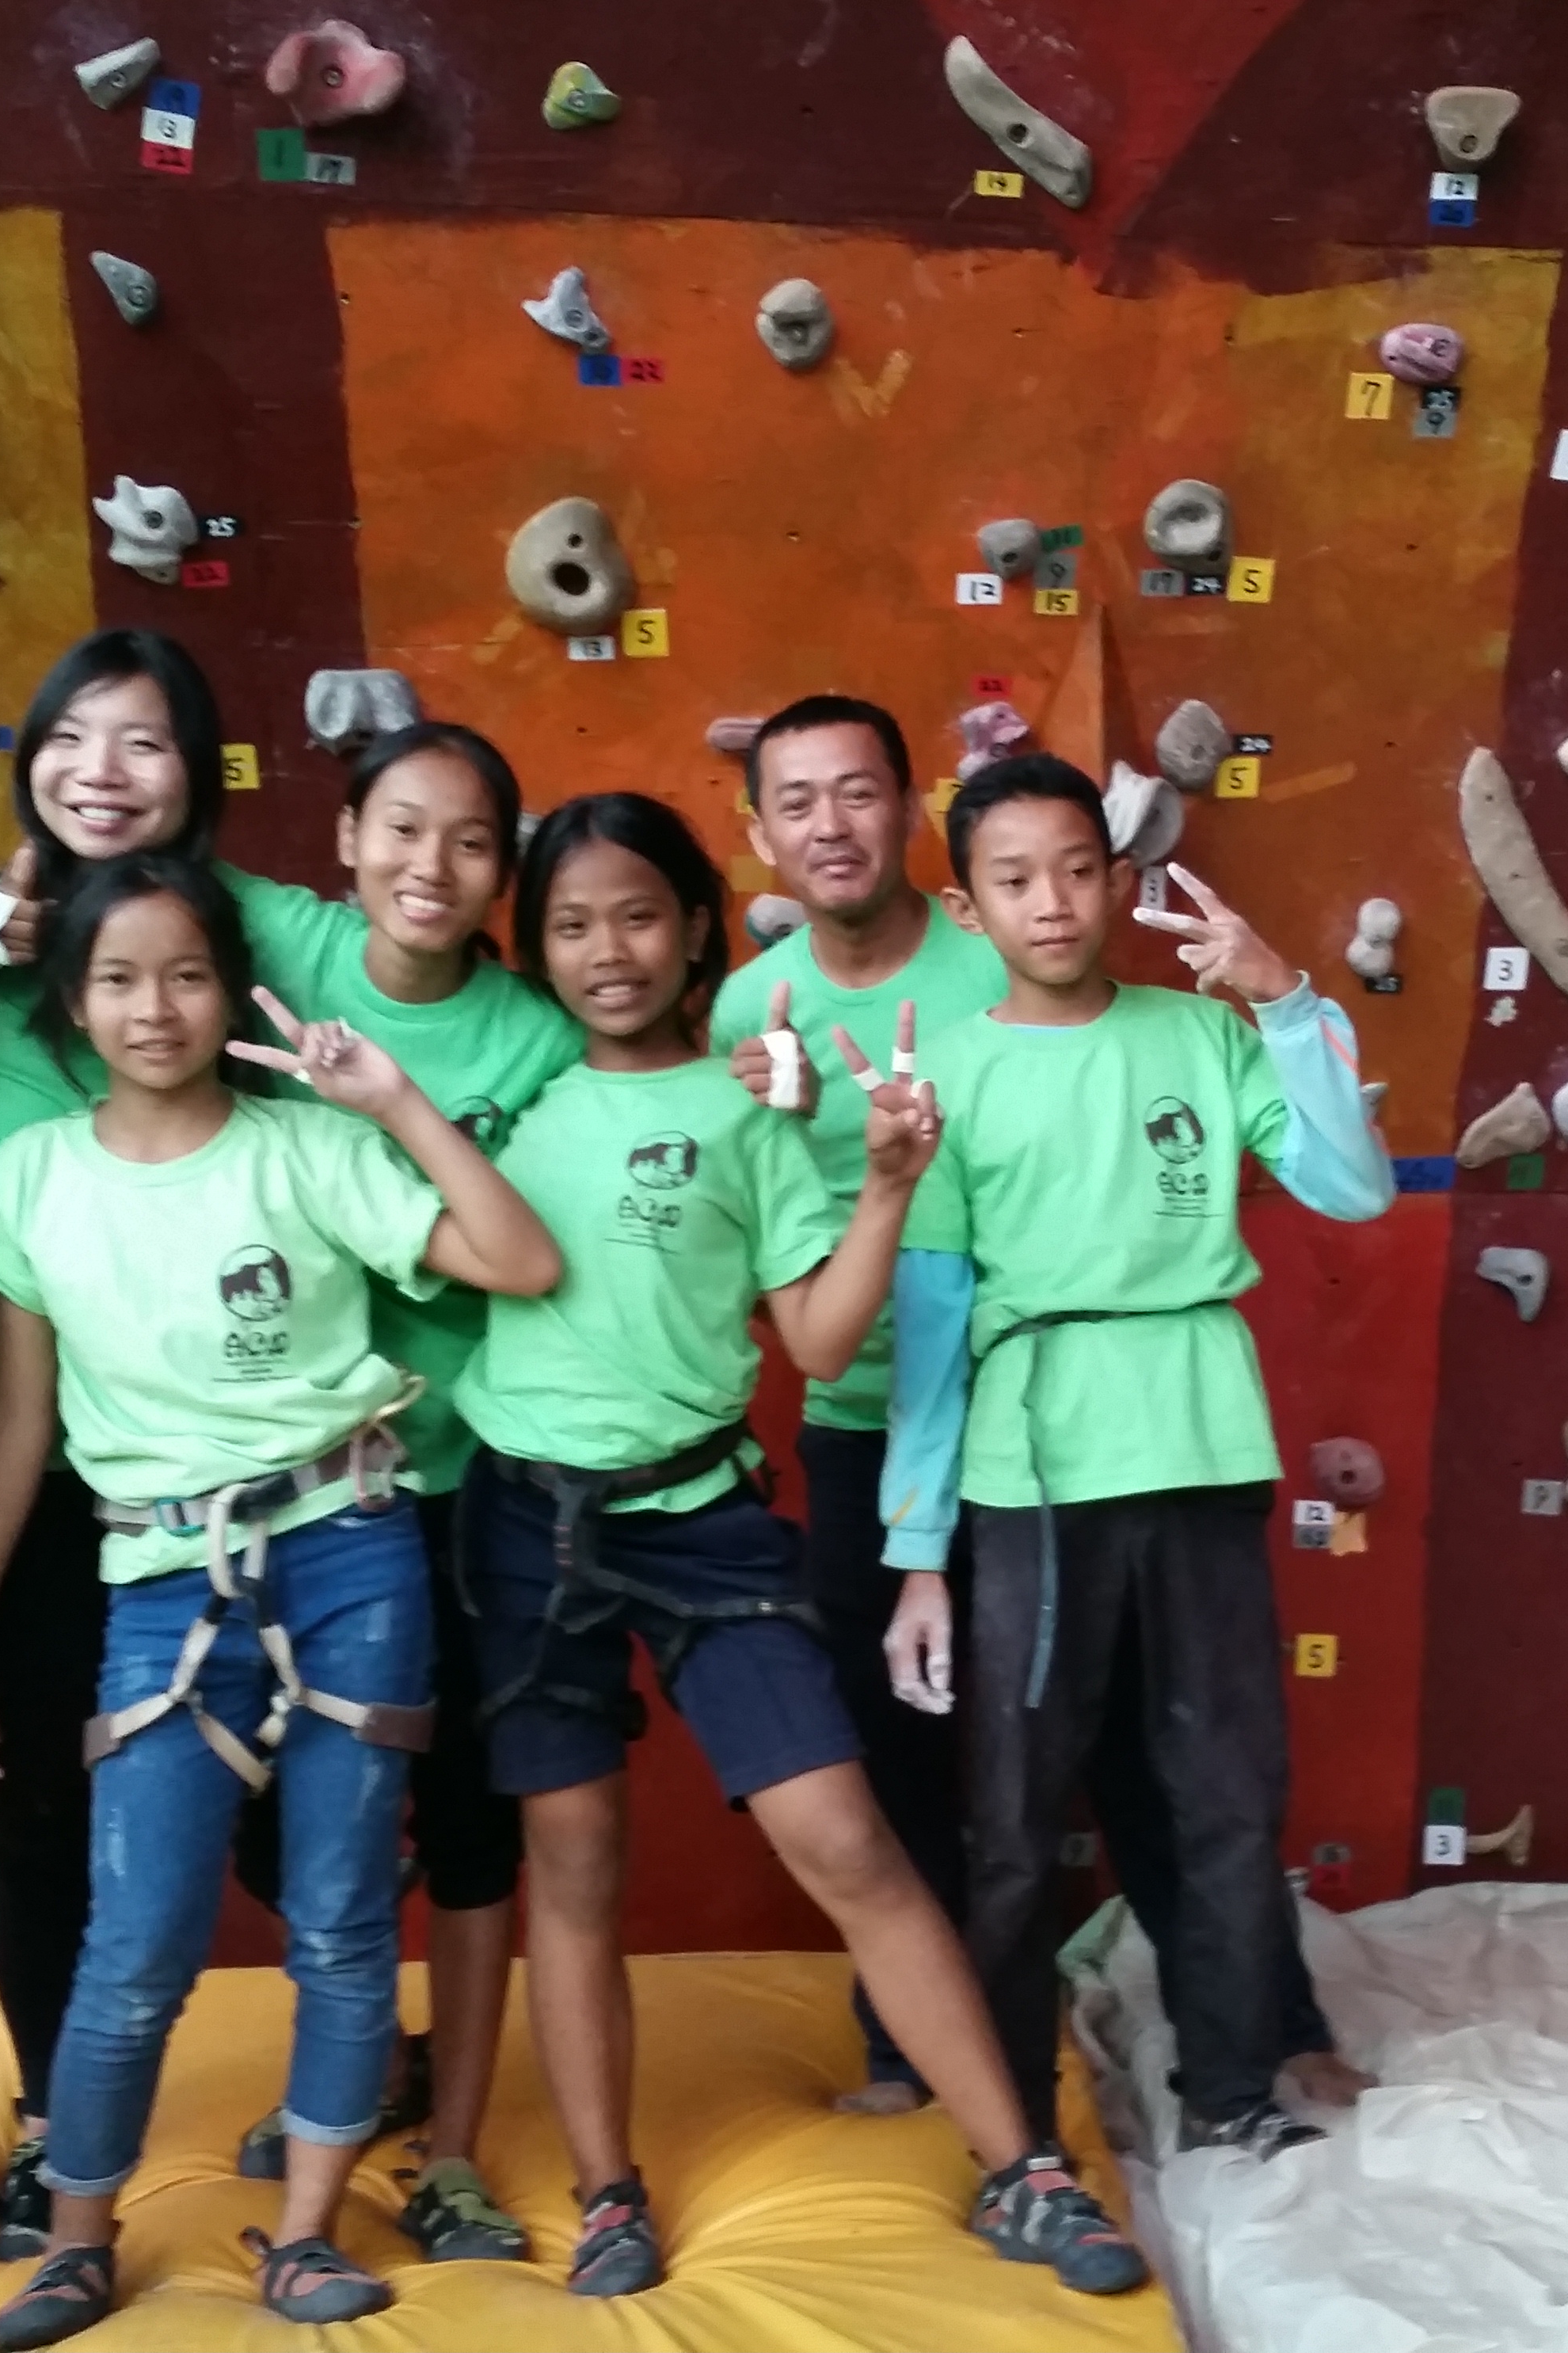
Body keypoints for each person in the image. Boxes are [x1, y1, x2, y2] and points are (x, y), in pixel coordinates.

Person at [453, 793, 1144, 2299]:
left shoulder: (748, 1114)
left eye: (640, 915)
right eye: (571, 926)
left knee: (848, 1840)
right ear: (535, 949)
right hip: (526, 1527)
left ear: (701, 929)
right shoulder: (507, 1102)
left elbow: (823, 1342)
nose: (608, 951)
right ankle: (608, 2191)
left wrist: (886, 1185)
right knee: (573, 1860)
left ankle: (1023, 2168)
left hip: (705, 1523)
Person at [0, 854, 561, 2342]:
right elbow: (20, 1421)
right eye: (117, 979)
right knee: (135, 1938)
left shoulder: (308, 1150)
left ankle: (306, 2235)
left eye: (187, 975)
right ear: (72, 1002)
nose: (154, 1009)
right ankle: (77, 2242)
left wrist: (394, 1105)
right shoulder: (29, 1180)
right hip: (158, 1581)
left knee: (342, 1917)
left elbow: (522, 1258)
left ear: (232, 992)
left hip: (351, 1554)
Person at [876, 755, 1395, 2161]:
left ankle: (1229, 2095)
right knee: (1012, 1814)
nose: (1051, 903)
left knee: (1227, 1796)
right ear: (967, 909)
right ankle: (1011, 2135)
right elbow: (931, 1326)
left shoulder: (1204, 1035)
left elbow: (1354, 1186)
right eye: (1013, 880)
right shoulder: (947, 1075)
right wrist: (917, 1554)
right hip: (1031, 1473)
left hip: (1200, 1444)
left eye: (1075, 870)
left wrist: (1285, 1000)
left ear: (1118, 882)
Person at [212, 722, 577, 2256]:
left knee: (471, 1816)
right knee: (261, 1814)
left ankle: (456, 2148)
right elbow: (119, 853)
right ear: (347, 838)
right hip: (284, 1481)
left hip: (462, 1477)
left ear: (503, 872)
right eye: (404, 829)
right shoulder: (285, 942)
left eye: (472, 841)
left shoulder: (536, 1039)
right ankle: (370, 2055)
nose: (433, 866)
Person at [701, 696, 1010, 2112]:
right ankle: (906, 2050)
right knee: (889, 1743)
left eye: (860, 792)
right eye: (799, 802)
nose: (832, 826)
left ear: (912, 807)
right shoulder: (748, 1014)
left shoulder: (998, 960)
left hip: (1033, 1415)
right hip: (862, 1429)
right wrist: (763, 1117)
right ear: (761, 832)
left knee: (1064, 1733)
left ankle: (1051, 2032)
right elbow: (753, 1240)